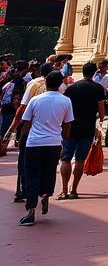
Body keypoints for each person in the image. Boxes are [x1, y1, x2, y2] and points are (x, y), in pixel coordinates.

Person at [18, 71, 74, 226]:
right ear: (60, 84)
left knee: (32, 175)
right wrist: (64, 138)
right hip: (54, 142)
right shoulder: (65, 101)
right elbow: (68, 124)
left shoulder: (35, 100)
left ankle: (30, 210)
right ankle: (46, 194)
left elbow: (26, 123)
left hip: (34, 142)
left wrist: (21, 139)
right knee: (49, 172)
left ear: (46, 83)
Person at [3, 60, 50, 201]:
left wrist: (10, 131)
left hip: (30, 129)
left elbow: (22, 111)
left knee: (25, 161)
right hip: (51, 133)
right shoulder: (61, 88)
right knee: (46, 164)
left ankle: (22, 191)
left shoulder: (34, 85)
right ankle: (44, 191)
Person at [58, 61, 106, 200]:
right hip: (88, 127)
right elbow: (101, 111)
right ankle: (74, 190)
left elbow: (65, 106)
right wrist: (100, 124)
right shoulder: (98, 88)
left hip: (71, 126)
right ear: (94, 72)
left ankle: (64, 189)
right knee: (80, 159)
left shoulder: (73, 87)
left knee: (65, 158)